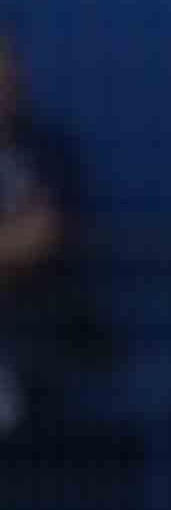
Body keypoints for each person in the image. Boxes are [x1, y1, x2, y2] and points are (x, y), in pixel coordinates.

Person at [0, 26, 110, 456]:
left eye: (9, 61)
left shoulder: (48, 149)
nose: (6, 74)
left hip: (39, 332)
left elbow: (42, 236)